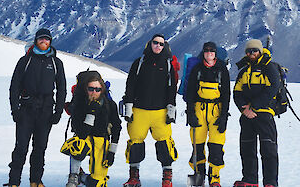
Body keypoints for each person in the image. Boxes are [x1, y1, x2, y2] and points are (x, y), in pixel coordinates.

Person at [7, 28, 67, 187]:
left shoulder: (56, 63)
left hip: (46, 111)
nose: (44, 42)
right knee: (21, 148)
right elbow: (14, 86)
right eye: (41, 39)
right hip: (26, 110)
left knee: (40, 148)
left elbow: (62, 88)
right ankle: (14, 182)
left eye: (47, 39)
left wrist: (58, 112)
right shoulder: (25, 61)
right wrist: (15, 109)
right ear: (35, 40)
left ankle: (35, 181)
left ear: (50, 42)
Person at [122, 34, 179, 187]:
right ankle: (134, 176)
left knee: (165, 143)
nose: (158, 46)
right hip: (139, 110)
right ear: (150, 44)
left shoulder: (168, 65)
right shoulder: (139, 62)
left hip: (160, 112)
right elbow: (130, 85)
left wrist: (171, 109)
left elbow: (171, 89)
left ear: (164, 46)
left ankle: (167, 176)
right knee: (135, 142)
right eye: (155, 43)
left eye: (161, 44)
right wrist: (128, 105)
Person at [232, 39, 280, 187]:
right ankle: (250, 179)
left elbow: (272, 89)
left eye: (254, 50)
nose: (251, 53)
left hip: (264, 114)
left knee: (268, 149)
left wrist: (254, 107)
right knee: (247, 148)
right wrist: (244, 109)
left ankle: (270, 182)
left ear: (259, 51)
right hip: (247, 115)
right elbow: (236, 92)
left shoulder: (269, 68)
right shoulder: (244, 71)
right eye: (248, 51)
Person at [62, 71, 122, 187]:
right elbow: (82, 134)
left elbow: (116, 128)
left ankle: (83, 177)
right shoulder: (79, 104)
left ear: (102, 89)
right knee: (77, 145)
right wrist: (91, 114)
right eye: (91, 89)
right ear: (85, 89)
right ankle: (73, 175)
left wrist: (112, 151)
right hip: (86, 139)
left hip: (101, 140)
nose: (94, 92)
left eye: (97, 89)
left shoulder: (110, 104)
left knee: (98, 183)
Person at [184, 41, 230, 187]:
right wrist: (190, 112)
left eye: (212, 50)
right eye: (206, 50)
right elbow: (190, 92)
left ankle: (214, 178)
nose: (209, 53)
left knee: (216, 145)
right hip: (199, 109)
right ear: (203, 52)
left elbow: (226, 94)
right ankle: (197, 179)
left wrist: (224, 116)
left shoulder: (222, 69)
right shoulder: (197, 69)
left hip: (216, 110)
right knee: (197, 145)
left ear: (215, 53)